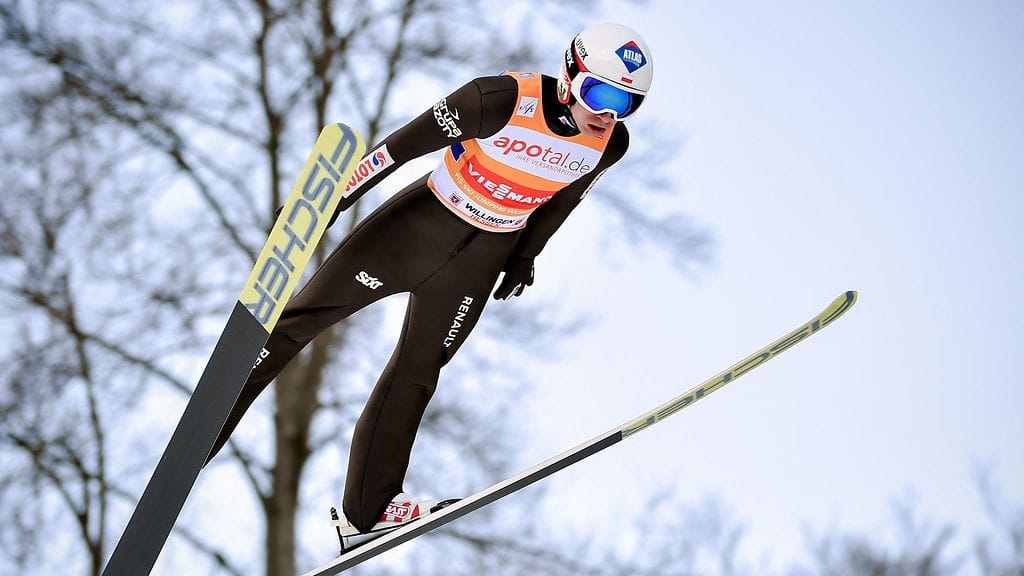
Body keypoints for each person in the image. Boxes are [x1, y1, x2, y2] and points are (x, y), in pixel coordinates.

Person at [206, 22, 654, 540]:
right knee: (304, 318)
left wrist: (526, 255)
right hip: (419, 226)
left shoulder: (609, 145)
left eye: (625, 105)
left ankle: (366, 512)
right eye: (600, 93)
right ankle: (206, 431)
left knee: (418, 373)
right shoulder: (499, 99)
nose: (606, 113)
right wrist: (333, 199)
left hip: (481, 259)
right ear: (571, 72)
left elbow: (565, 200)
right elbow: (400, 148)